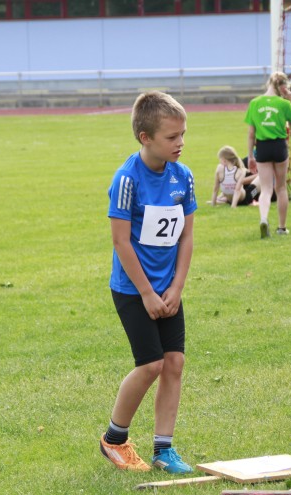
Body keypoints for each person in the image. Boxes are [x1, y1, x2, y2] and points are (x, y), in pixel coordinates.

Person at [100, 91, 197, 474]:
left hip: (168, 289)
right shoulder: (127, 179)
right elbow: (121, 241)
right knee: (151, 364)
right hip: (132, 289)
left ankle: (164, 449)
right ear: (145, 137)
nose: (180, 142)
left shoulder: (183, 176)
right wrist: (146, 293)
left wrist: (176, 288)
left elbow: (186, 236)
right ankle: (114, 439)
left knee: (174, 362)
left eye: (183, 134)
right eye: (172, 136)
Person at [244, 71, 291, 238]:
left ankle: (264, 219)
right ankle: (282, 227)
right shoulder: (283, 104)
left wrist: (250, 156)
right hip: (279, 146)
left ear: (269, 83)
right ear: (283, 86)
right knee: (281, 187)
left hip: (262, 147)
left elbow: (251, 134)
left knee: (265, 189)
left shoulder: (255, 103)